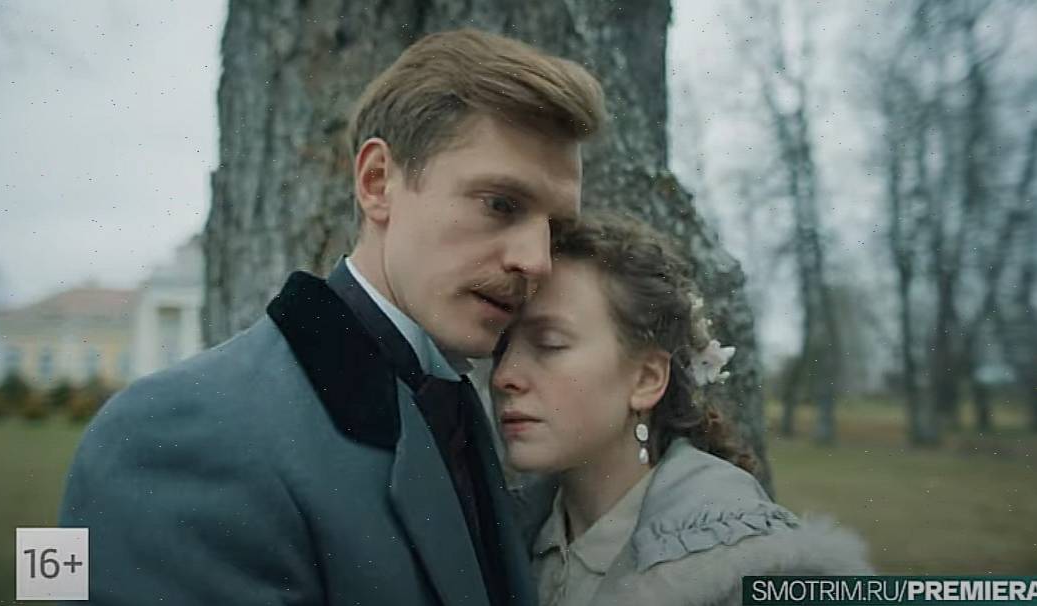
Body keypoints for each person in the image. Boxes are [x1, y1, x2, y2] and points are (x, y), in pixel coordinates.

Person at [60, 28, 605, 605]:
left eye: (556, 230)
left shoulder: (462, 410)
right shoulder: (170, 434)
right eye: (501, 204)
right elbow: (51, 581)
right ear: (377, 183)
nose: (537, 261)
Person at [490, 212, 873, 606]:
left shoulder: (758, 572)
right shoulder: (496, 542)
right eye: (500, 347)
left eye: (549, 343)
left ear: (647, 379)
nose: (504, 376)